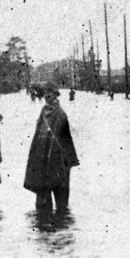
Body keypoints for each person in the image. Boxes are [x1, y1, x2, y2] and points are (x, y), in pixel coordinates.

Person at [23, 82, 80, 211]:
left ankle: (61, 221)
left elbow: (65, 139)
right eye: (45, 94)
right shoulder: (43, 111)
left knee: (61, 195)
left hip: (58, 158)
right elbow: (37, 135)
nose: (47, 96)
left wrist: (67, 160)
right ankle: (45, 221)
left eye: (50, 93)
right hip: (42, 157)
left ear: (55, 95)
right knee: (43, 198)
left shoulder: (60, 114)